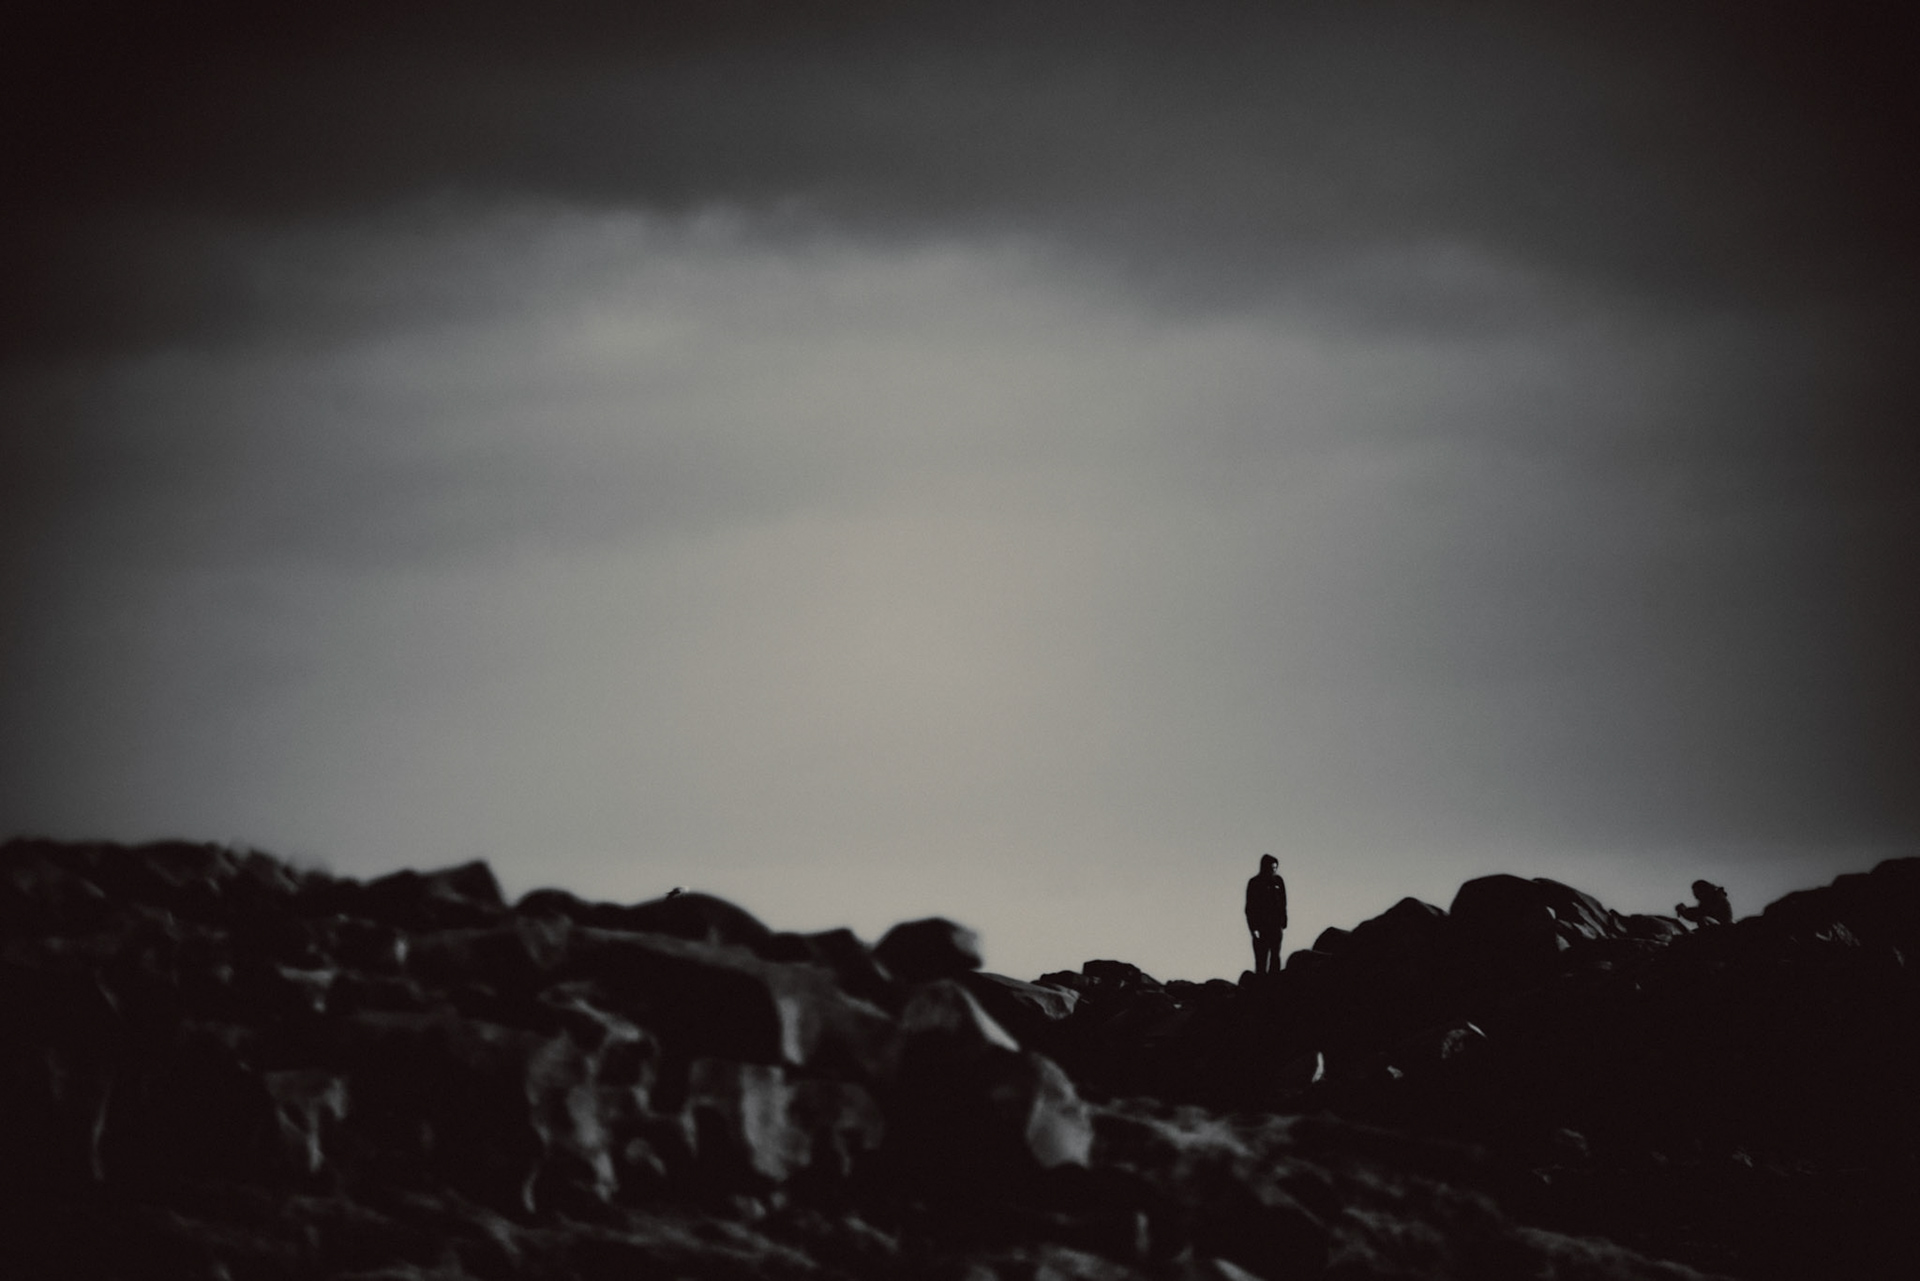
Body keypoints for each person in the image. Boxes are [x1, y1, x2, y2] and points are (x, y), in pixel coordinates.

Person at [1245, 853, 1288, 974]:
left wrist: (1283, 921)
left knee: (1275, 957)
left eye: (1275, 868)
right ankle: (1260, 987)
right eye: (1271, 868)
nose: (1273, 870)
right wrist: (1253, 928)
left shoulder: (1279, 882)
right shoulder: (1254, 883)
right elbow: (1250, 907)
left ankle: (1274, 986)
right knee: (1261, 961)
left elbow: (1283, 902)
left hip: (1276, 926)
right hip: (1262, 927)